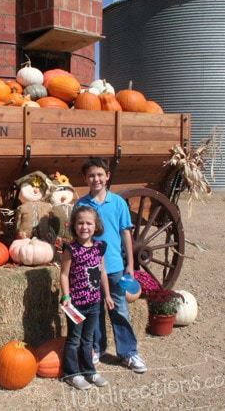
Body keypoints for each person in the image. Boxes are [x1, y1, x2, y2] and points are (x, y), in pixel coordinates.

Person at [75, 156, 147, 373]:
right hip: (91, 267)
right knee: (94, 310)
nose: (95, 179)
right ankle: (97, 348)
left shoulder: (117, 203)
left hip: (115, 265)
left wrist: (130, 265)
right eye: (91, 176)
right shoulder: (81, 204)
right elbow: (77, 235)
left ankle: (128, 353)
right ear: (85, 179)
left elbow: (126, 233)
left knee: (119, 309)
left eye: (99, 175)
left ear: (107, 176)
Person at [60, 206, 114, 390]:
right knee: (74, 339)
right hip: (75, 304)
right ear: (74, 226)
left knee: (88, 339)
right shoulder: (71, 250)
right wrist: (66, 296)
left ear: (95, 226)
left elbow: (103, 273)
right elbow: (64, 275)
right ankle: (72, 373)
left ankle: (89, 371)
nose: (84, 227)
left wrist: (106, 295)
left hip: (94, 303)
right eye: (80, 223)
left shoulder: (99, 248)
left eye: (89, 223)